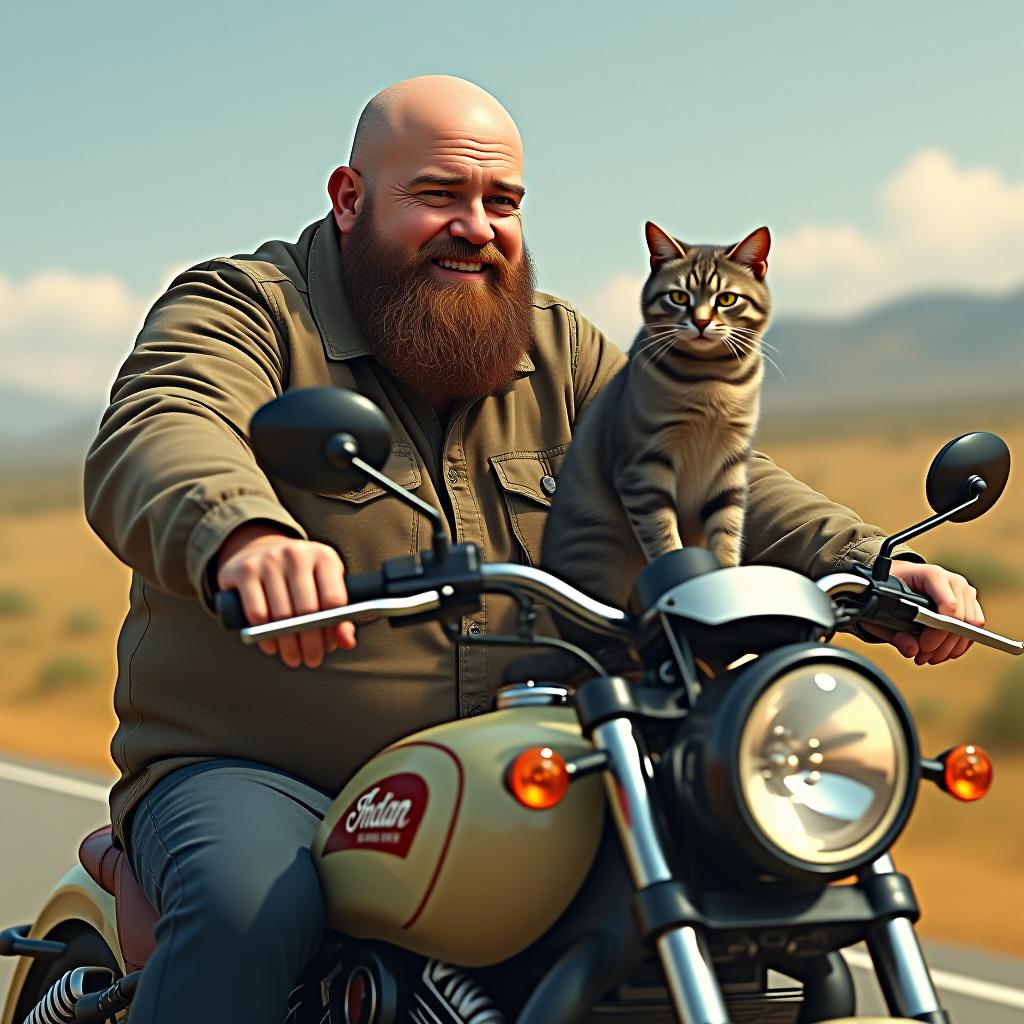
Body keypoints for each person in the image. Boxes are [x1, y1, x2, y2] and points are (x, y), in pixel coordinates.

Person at [84, 75, 984, 1023]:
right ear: (349, 199)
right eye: (437, 194)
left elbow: (714, 468)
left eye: (501, 200)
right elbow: (164, 422)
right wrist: (247, 535)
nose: (476, 225)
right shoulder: (249, 309)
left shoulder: (560, 348)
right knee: (248, 913)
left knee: (739, 875)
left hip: (533, 758)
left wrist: (876, 565)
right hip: (266, 768)